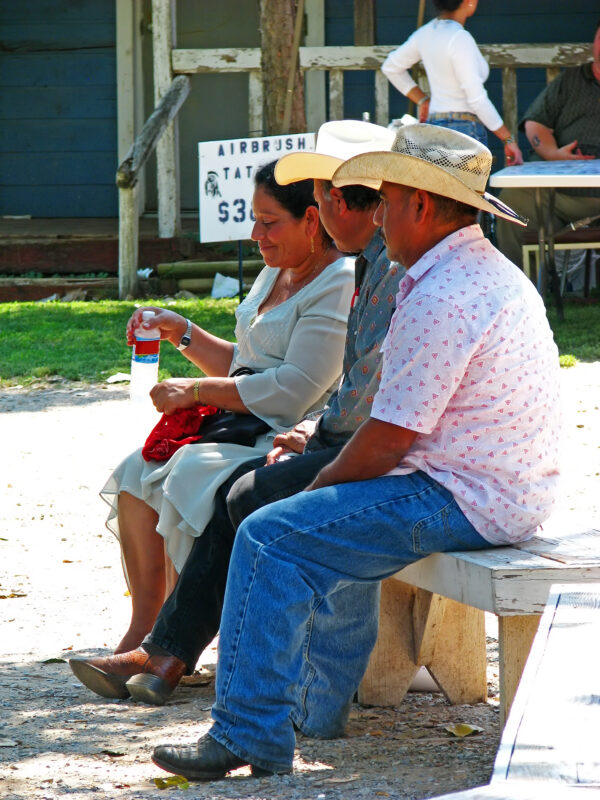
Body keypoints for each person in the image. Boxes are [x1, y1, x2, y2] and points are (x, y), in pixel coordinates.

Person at [150, 124, 560, 781]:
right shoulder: (471, 270)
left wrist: (317, 491)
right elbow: (385, 430)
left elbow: (387, 439)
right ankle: (296, 711)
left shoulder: (444, 293)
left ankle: (253, 732)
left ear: (421, 205)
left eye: (387, 200)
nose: (380, 214)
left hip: (465, 496)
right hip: (491, 486)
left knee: (270, 533)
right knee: (281, 524)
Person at [67, 119, 400, 709]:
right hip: (275, 425)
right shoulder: (280, 270)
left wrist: (197, 391)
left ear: (316, 218)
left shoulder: (346, 278)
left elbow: (294, 390)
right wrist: (184, 333)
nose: (256, 235)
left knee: (209, 478)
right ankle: (147, 636)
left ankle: (176, 648)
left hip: (287, 427)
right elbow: (247, 364)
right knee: (137, 471)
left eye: (270, 222)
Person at [496, 18, 600, 268]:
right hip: (557, 194)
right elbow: (535, 125)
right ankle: (517, 292)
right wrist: (554, 154)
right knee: (510, 200)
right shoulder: (571, 80)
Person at [381, 0, 523, 165]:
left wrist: (423, 100)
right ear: (469, 2)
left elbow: (391, 67)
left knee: (438, 190)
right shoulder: (459, 38)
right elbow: (477, 99)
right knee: (467, 191)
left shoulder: (425, 33)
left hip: (433, 128)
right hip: (463, 131)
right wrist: (508, 139)